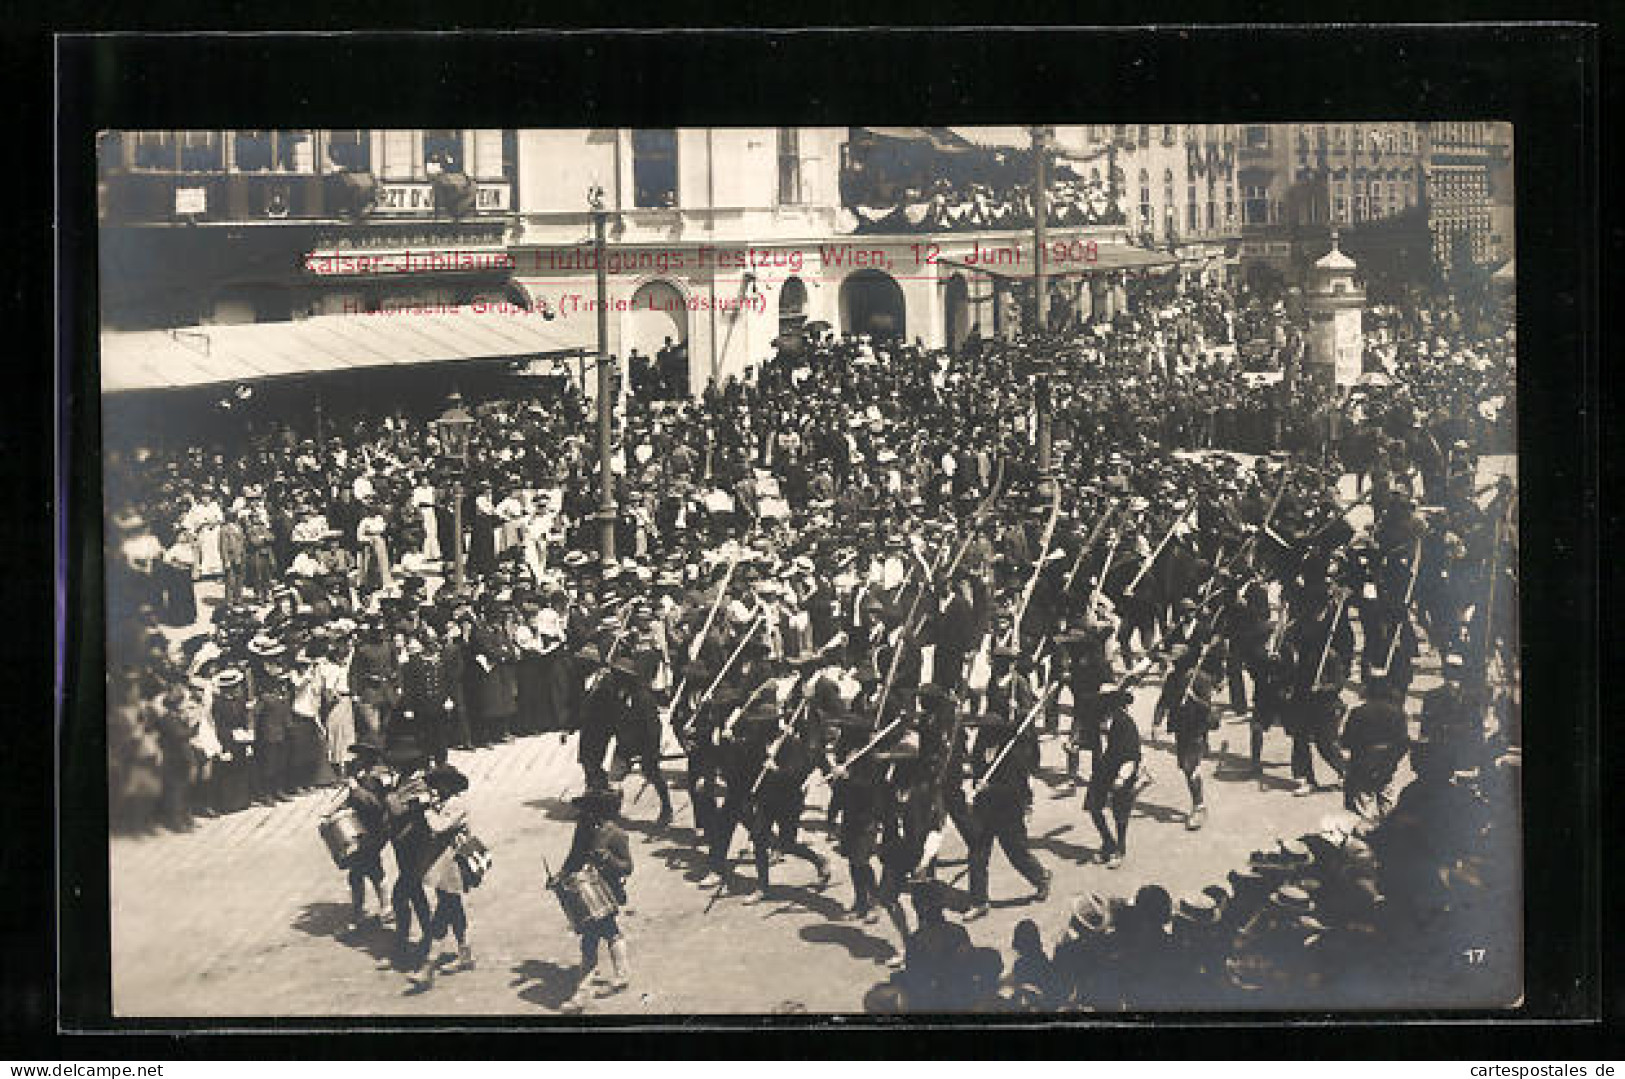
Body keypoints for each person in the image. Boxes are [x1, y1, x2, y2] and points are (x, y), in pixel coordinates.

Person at [557, 786, 635, 1013]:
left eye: (589, 810)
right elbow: (574, 856)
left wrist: (609, 858)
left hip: (606, 892)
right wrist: (561, 876)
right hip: (587, 892)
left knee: (593, 937)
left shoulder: (616, 834)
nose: (584, 815)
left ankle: (581, 994)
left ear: (600, 812)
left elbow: (628, 867)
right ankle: (621, 975)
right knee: (606, 933)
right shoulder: (583, 829)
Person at [408, 763, 475, 988]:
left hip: (453, 866)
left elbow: (438, 827)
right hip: (442, 866)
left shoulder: (457, 805)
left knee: (442, 912)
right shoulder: (444, 803)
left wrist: (426, 809)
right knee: (453, 907)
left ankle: (429, 964)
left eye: (438, 785)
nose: (434, 789)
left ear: (450, 786)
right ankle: (465, 952)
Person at [1085, 682, 1141, 868]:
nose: (1103, 705)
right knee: (1094, 808)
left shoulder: (1125, 723)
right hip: (1101, 771)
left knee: (1120, 813)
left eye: (1107, 701)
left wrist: (1123, 777)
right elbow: (1091, 741)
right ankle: (1108, 842)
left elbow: (1132, 753)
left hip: (1120, 772)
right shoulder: (1095, 719)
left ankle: (1120, 848)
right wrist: (1075, 746)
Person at [339, 741, 393, 931]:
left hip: (376, 829)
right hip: (361, 827)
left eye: (362, 754)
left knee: (360, 870)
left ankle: (366, 911)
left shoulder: (380, 776)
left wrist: (356, 790)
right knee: (368, 867)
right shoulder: (360, 771)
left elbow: (377, 805)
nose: (358, 758)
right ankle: (383, 907)